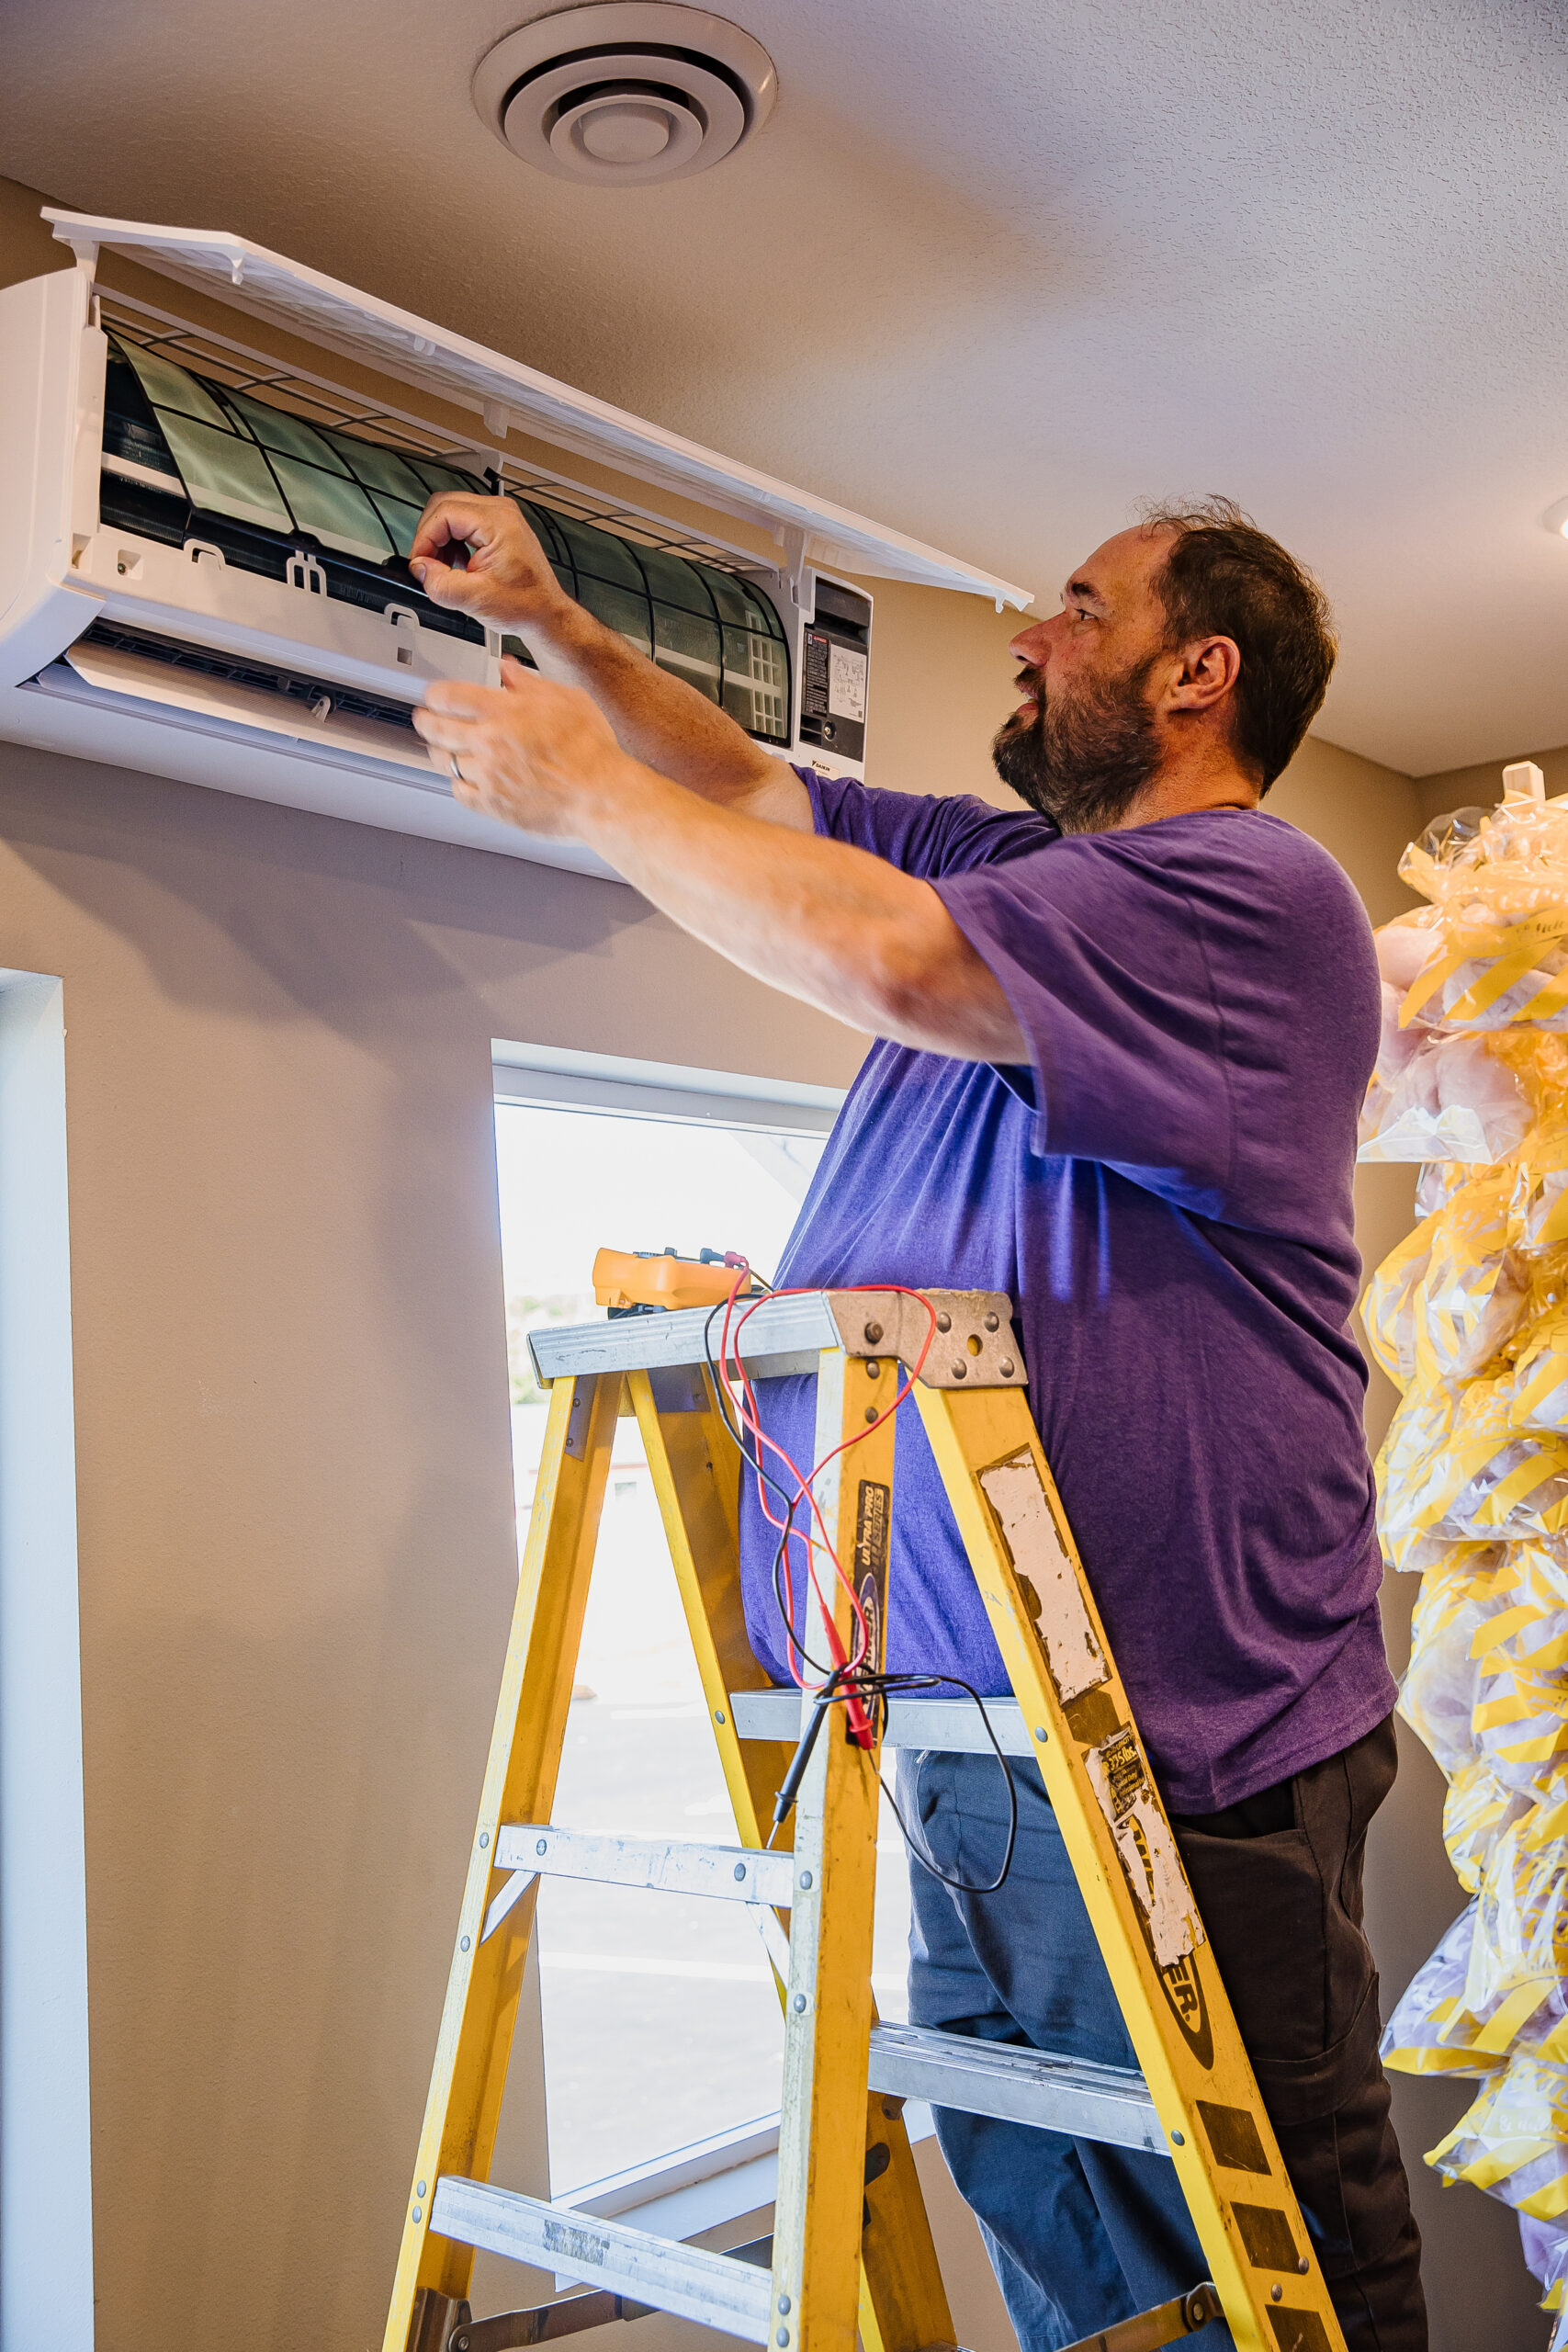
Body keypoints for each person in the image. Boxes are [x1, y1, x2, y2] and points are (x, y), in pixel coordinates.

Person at [407, 492, 1427, 2352]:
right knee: (1050, 2204)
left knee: (1251, 2232)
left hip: (1172, 1738)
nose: (1029, 638)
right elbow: (748, 795)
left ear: (1196, 670)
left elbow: (887, 959)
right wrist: (562, 626)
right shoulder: (1011, 859)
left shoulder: (1251, 893)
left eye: (1073, 607)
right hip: (974, 1714)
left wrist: (580, 798)